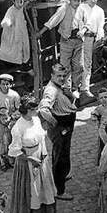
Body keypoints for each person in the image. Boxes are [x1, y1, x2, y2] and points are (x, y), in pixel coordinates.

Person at [8, 94, 56, 213]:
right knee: (33, 190)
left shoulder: (36, 120)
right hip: (28, 160)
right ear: (27, 110)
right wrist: (31, 159)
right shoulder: (18, 128)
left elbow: (41, 138)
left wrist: (44, 152)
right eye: (34, 109)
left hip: (41, 156)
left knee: (44, 187)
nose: (36, 111)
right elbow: (14, 151)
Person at [37, 64, 78, 201]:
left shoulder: (60, 87)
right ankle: (59, 190)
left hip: (66, 124)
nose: (61, 78)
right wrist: (54, 122)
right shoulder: (51, 90)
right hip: (60, 127)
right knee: (59, 157)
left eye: (63, 76)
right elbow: (43, 109)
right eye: (58, 76)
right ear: (52, 76)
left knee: (65, 153)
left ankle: (63, 175)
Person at [38, 0, 85, 94]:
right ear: (70, 0)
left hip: (79, 41)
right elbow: (53, 21)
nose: (77, 3)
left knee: (79, 66)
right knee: (65, 66)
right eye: (75, 1)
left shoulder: (82, 8)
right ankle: (66, 88)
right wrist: (41, 32)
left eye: (79, 1)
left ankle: (75, 87)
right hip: (67, 40)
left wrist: (83, 31)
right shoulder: (64, 8)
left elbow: (86, 23)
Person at [77, 0, 105, 98]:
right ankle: (76, 87)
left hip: (91, 39)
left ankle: (85, 87)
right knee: (78, 63)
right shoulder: (81, 8)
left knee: (87, 63)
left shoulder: (99, 10)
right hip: (80, 38)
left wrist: (99, 38)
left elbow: (101, 26)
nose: (93, 0)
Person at [0, 0, 30, 67]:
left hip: (21, 32)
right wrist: (8, 23)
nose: (20, 2)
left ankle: (24, 63)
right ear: (13, 2)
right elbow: (6, 21)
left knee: (24, 48)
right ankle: (14, 64)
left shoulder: (21, 8)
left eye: (22, 0)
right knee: (13, 50)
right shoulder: (11, 10)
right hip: (13, 32)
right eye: (18, 0)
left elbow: (25, 5)